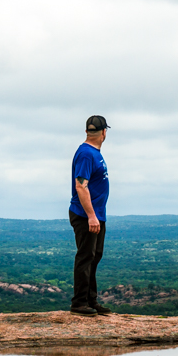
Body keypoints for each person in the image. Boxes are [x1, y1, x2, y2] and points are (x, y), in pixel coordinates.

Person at [69, 115, 112, 316]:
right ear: (104, 132)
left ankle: (90, 300)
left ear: (88, 131)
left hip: (96, 215)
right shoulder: (86, 154)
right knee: (86, 256)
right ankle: (79, 303)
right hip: (87, 215)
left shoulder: (92, 152)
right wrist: (91, 216)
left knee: (94, 257)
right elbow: (81, 186)